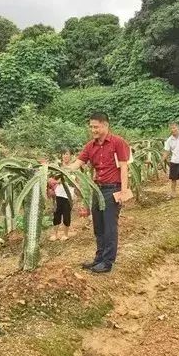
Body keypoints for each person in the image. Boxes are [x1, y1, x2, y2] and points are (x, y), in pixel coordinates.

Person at [67, 113, 130, 273]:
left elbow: (124, 167)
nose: (93, 129)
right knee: (98, 226)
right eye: (91, 126)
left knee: (109, 226)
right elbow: (77, 163)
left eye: (96, 126)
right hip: (97, 189)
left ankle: (107, 262)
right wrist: (59, 170)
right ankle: (99, 258)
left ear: (105, 125)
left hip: (113, 189)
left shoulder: (118, 143)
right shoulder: (90, 146)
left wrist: (123, 191)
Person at [49, 149, 76, 241]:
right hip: (58, 194)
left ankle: (65, 234)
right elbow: (52, 179)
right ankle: (55, 235)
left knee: (66, 214)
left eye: (67, 154)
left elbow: (75, 182)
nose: (65, 156)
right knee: (56, 214)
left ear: (70, 155)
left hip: (68, 196)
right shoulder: (57, 168)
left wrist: (76, 193)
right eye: (64, 154)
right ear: (62, 156)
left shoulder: (74, 168)